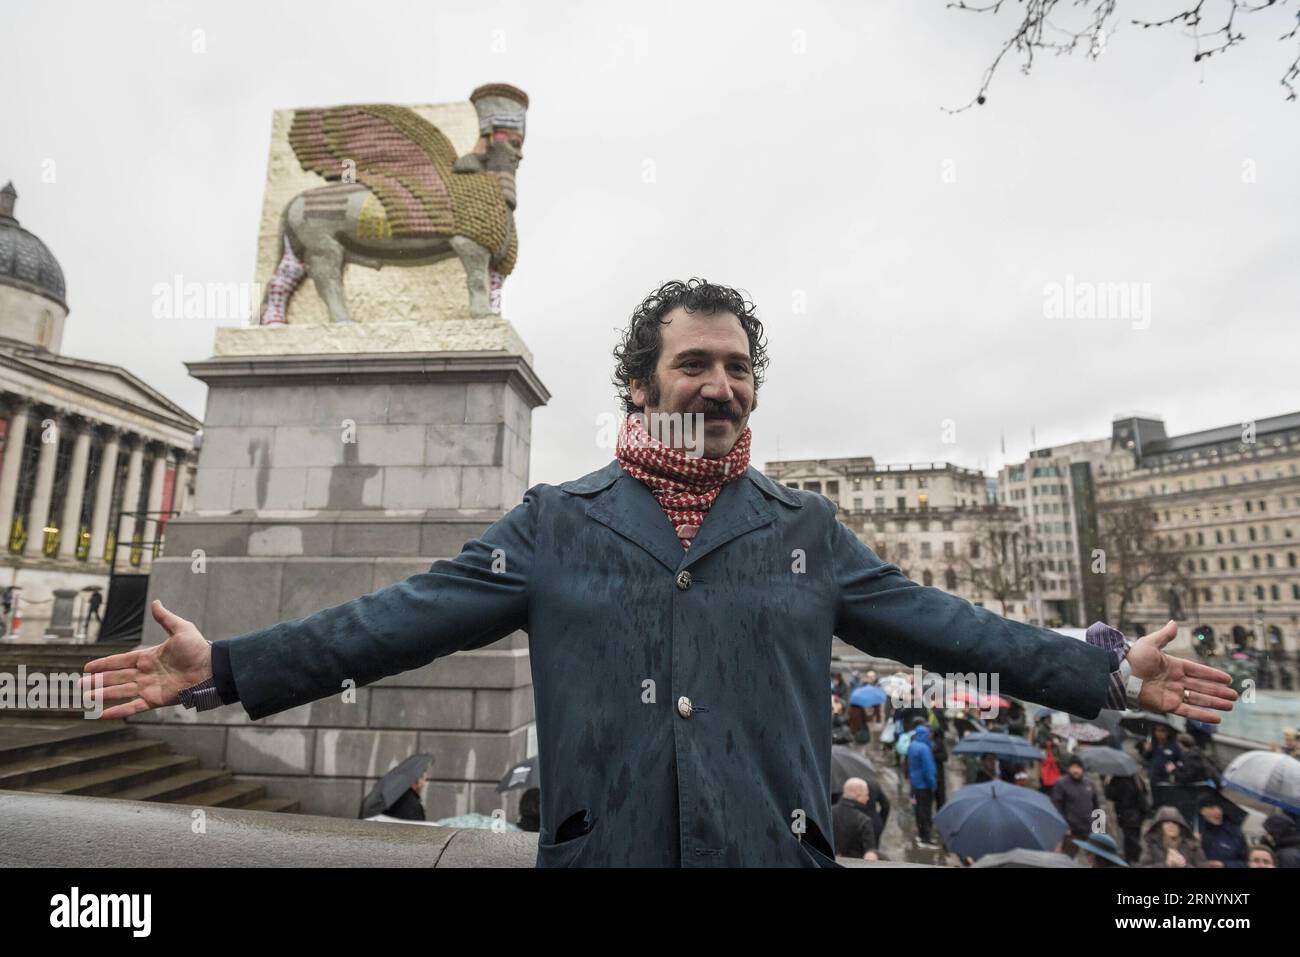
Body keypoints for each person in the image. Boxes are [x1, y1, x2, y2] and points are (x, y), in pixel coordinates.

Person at [80, 279, 1238, 868]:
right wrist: (225, 666)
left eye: (737, 368)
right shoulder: (556, 523)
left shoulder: (806, 529)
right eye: (693, 364)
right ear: (640, 386)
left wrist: (1107, 676)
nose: (719, 386)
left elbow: (949, 627)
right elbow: (399, 621)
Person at [1051, 755, 1100, 858]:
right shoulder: (1062, 783)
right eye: (1072, 767)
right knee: (1067, 860)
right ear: (1069, 768)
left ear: (1082, 769)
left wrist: (1098, 827)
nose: (1075, 770)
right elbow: (1056, 807)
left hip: (1089, 830)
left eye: (1078, 767)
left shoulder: (1090, 784)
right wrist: (1064, 826)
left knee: (1096, 859)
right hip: (1071, 831)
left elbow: (1096, 806)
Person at [1137, 806, 1208, 868]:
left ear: (1180, 827)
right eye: (1167, 823)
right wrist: (1166, 865)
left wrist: (1184, 866)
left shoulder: (1192, 846)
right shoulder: (1152, 846)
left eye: (1175, 823)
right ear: (1160, 827)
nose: (1171, 826)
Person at [1104, 772, 1150, 864]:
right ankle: (1134, 859)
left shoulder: (1117, 779)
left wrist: (1107, 784)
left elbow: (1111, 795)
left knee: (1130, 840)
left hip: (1126, 814)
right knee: (1134, 837)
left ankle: (1133, 860)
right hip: (1138, 814)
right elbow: (1145, 791)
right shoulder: (1137, 778)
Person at [831, 777, 879, 860]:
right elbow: (870, 854)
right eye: (866, 795)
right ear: (858, 795)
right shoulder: (864, 820)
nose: (868, 798)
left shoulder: (828, 812)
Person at [908, 720, 939, 848]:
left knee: (919, 811)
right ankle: (926, 838)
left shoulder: (913, 745)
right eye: (929, 733)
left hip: (915, 784)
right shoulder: (925, 748)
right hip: (924, 785)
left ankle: (921, 835)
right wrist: (933, 784)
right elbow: (928, 769)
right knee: (925, 812)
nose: (931, 735)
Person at [1195, 794, 1246, 868]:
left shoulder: (1234, 833)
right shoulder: (1193, 831)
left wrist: (1224, 865)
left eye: (1219, 808)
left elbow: (1245, 862)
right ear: (1202, 811)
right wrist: (1193, 844)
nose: (1218, 812)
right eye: (1212, 808)